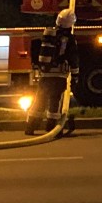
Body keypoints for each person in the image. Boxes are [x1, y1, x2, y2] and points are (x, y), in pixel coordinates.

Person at [25, 8, 80, 136]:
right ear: (71, 23)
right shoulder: (69, 39)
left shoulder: (49, 33)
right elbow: (73, 59)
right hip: (58, 75)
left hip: (45, 74)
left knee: (39, 100)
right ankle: (52, 128)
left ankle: (30, 126)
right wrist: (75, 77)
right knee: (55, 102)